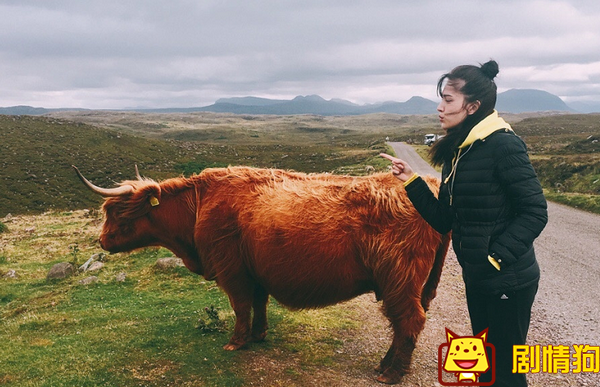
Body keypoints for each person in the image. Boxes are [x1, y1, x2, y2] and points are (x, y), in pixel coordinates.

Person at [380, 60, 548, 386]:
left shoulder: (503, 145)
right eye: (441, 100)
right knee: (486, 364)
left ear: (472, 107)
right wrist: (411, 180)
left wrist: (495, 258)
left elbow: (535, 212)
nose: (440, 108)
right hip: (481, 277)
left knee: (507, 373)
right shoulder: (460, 151)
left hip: (507, 281)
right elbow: (445, 220)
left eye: (448, 100)